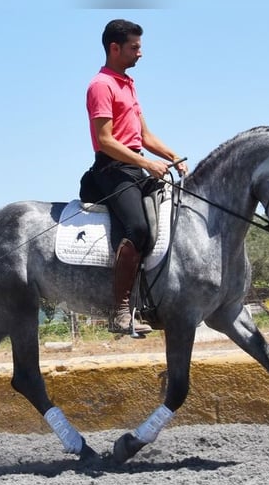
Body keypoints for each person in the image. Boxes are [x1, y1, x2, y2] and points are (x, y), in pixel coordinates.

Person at [86, 18, 188, 336]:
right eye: (135, 47)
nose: (140, 53)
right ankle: (119, 312)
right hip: (110, 170)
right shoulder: (100, 85)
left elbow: (143, 135)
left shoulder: (128, 84)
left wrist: (171, 155)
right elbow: (105, 140)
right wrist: (147, 164)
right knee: (139, 227)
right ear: (115, 48)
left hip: (134, 166)